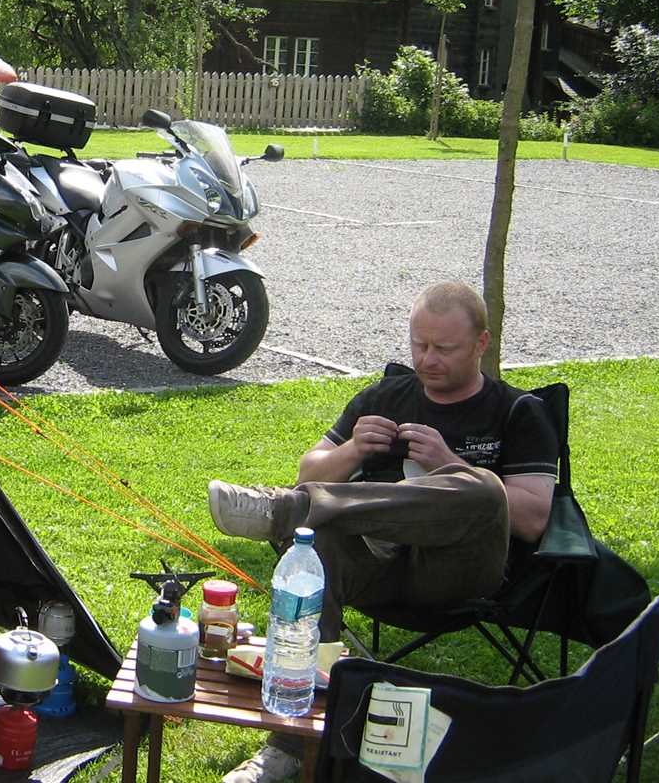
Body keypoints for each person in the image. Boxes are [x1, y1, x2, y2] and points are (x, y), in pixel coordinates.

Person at [209, 281, 558, 783]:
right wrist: (352, 450)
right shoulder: (386, 397)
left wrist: (450, 464)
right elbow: (310, 468)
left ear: (481, 343)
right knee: (316, 547)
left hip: (458, 571)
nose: (428, 359)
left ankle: (293, 509)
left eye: (444, 348)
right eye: (420, 344)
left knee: (482, 489)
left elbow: (534, 517)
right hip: (375, 563)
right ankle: (289, 745)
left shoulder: (517, 411)